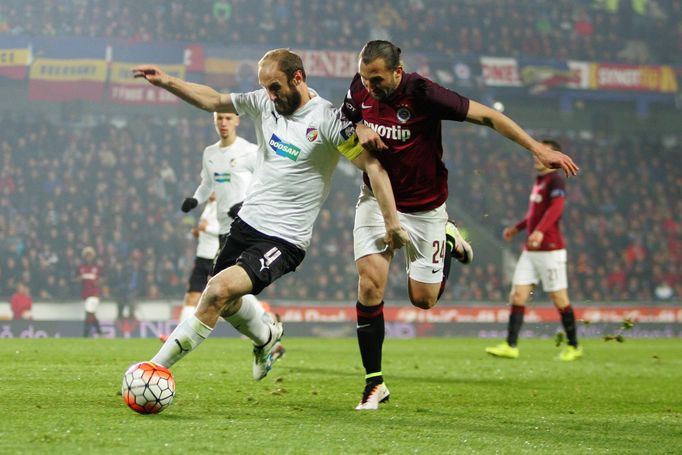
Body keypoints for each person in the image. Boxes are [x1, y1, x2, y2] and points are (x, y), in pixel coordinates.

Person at [132, 48, 408, 382]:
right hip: (246, 224)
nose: (270, 95)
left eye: (275, 87)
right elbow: (213, 99)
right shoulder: (264, 103)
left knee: (217, 291)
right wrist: (166, 82)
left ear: (298, 77)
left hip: (284, 238)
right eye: (265, 87)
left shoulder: (328, 120)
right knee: (227, 303)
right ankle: (266, 338)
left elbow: (373, 167)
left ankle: (154, 371)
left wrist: (392, 223)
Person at [341, 40, 580, 410]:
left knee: (423, 300)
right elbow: (347, 114)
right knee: (370, 283)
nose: (369, 87)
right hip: (377, 197)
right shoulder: (360, 87)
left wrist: (537, 148)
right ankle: (374, 384)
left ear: (398, 73)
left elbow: (489, 117)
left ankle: (449, 238)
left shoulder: (423, 93)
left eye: (377, 80)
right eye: (364, 79)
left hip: (425, 208)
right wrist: (358, 126)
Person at [486, 140, 582, 362]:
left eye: (543, 153)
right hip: (530, 250)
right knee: (517, 295)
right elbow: (534, 214)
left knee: (559, 298)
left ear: (553, 156)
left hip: (550, 249)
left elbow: (556, 208)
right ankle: (511, 346)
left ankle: (574, 346)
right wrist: (517, 228)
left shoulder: (556, 179)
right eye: (537, 153)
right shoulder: (540, 181)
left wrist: (539, 231)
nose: (537, 156)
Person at [78, 246, 103, 337]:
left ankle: (86, 334)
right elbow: (76, 279)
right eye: (87, 255)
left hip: (94, 293)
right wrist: (80, 279)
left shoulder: (97, 268)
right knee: (91, 313)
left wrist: (98, 281)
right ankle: (99, 332)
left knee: (89, 312)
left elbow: (102, 279)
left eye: (90, 255)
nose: (88, 257)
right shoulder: (81, 268)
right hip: (85, 294)